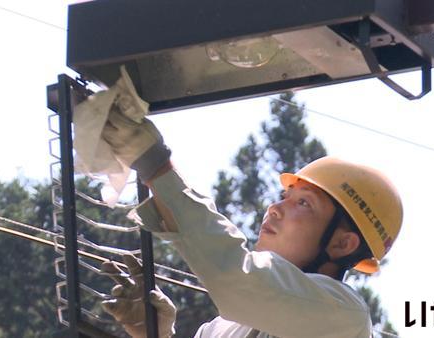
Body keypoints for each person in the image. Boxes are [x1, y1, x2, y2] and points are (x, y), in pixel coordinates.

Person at [98, 82, 403, 338]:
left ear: (341, 243)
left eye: (304, 203)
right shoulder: (223, 328)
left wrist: (156, 166)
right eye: (285, 195)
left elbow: (238, 278)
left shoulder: (342, 315)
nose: (275, 208)